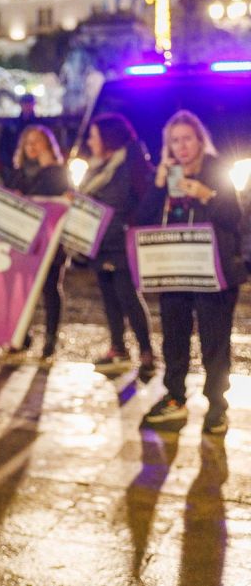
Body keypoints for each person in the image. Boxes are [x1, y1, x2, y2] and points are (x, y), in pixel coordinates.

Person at [136, 111, 243, 434]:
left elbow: (235, 217)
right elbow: (143, 218)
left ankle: (216, 405)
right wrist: (157, 186)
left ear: (199, 140)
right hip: (174, 269)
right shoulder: (167, 174)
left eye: (187, 139)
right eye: (175, 141)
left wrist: (205, 194)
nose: (181, 146)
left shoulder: (215, 168)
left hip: (213, 271)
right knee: (174, 337)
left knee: (214, 341)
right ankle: (175, 396)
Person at [76, 113, 155, 376]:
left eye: (94, 136)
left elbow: (136, 198)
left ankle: (146, 351)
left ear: (108, 138)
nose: (90, 142)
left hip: (121, 240)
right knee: (109, 298)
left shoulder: (130, 162)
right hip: (99, 241)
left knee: (128, 296)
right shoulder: (97, 165)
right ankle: (118, 348)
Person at [7, 125, 71, 358]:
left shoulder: (57, 171)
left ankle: (51, 338)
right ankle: (21, 333)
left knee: (50, 288)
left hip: (51, 241)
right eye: (28, 142)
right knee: (21, 289)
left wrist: (49, 167)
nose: (32, 147)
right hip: (24, 240)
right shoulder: (18, 172)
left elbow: (58, 194)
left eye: (38, 141)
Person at [0, 94, 39, 178]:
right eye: (25, 103)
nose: (27, 106)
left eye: (29, 103)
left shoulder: (40, 125)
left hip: (35, 165)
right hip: (13, 164)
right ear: (21, 104)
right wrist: (8, 162)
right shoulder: (11, 124)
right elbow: (3, 145)